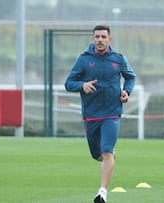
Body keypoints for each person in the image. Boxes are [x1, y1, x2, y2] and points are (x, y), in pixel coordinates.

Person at [65, 25, 136, 203]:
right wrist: (82, 85)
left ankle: (102, 193)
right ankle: (108, 157)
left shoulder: (119, 59)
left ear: (109, 40)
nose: (100, 40)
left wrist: (126, 91)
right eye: (97, 37)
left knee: (106, 151)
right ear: (92, 39)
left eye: (104, 37)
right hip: (91, 114)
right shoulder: (83, 60)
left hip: (112, 113)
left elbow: (130, 77)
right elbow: (69, 83)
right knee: (97, 153)